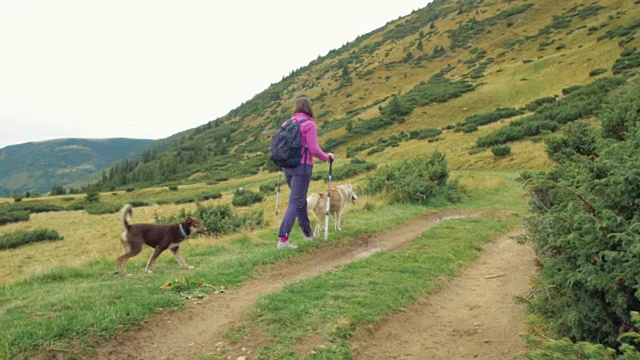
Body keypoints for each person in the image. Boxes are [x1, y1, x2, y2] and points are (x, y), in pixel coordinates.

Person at [277, 96, 335, 249]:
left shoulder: (287, 123)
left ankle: (308, 234)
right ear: (309, 108)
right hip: (302, 168)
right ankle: (283, 240)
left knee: (300, 200)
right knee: (296, 202)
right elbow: (314, 149)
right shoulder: (309, 125)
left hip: (287, 167)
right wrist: (327, 157)